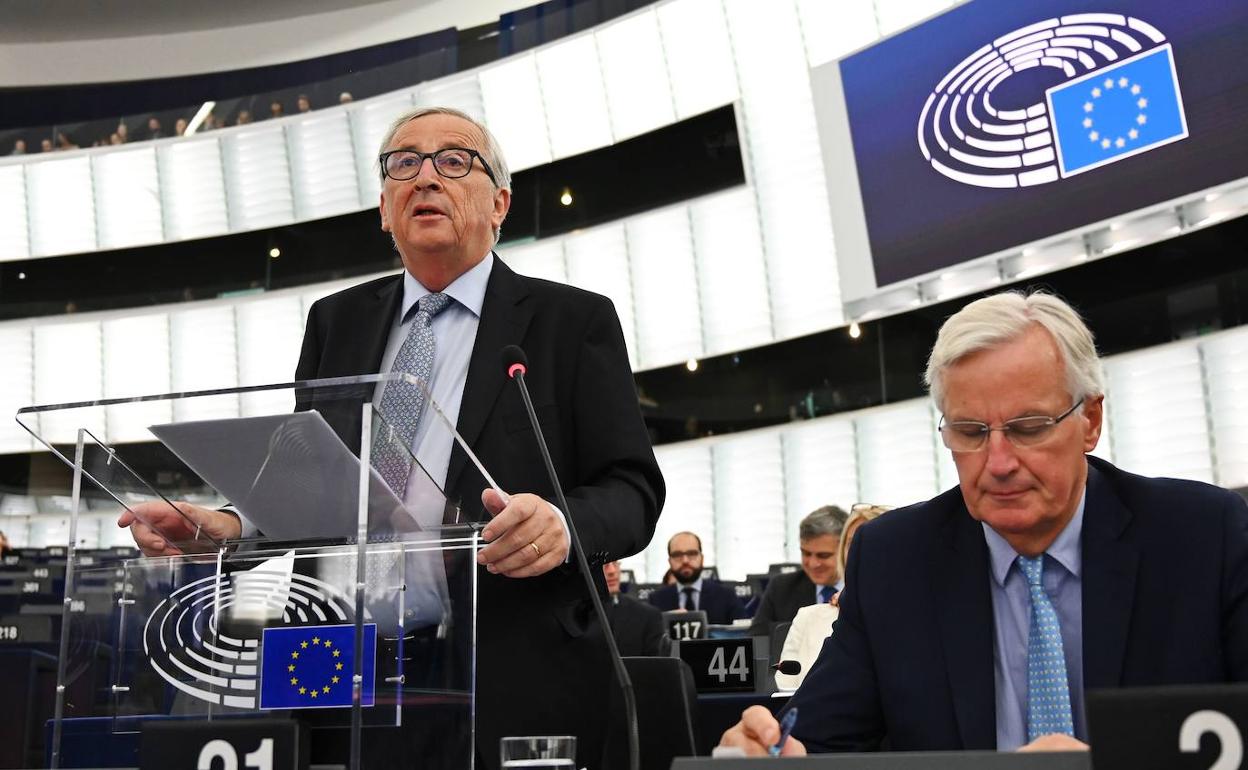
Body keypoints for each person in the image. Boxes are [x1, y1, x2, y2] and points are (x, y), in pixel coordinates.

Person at [118, 106, 664, 770]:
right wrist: (226, 526)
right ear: (384, 208)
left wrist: (563, 525)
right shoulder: (335, 323)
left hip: (507, 661)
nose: (426, 177)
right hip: (341, 665)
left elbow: (632, 488)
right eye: (405, 163)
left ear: (500, 203)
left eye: (454, 160)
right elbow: (309, 484)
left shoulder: (570, 323)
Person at [720, 290, 1248, 756]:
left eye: (1028, 427)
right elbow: (816, 740)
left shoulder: (1202, 536)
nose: (997, 462)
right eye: (971, 432)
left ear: (1089, 420)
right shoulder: (895, 562)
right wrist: (766, 749)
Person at [775, 504, 888, 690]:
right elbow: (785, 691)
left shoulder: (920, 618)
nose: (860, 550)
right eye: (852, 543)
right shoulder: (807, 617)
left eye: (873, 542)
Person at [749, 505, 847, 637]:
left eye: (823, 555)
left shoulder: (866, 589)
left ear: (847, 550)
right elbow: (756, 643)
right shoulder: (781, 588)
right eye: (806, 553)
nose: (813, 564)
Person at [647, 532, 747, 624]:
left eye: (692, 554)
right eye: (677, 555)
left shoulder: (726, 596)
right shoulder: (656, 600)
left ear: (702, 558)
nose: (685, 561)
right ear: (669, 561)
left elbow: (743, 636)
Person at [603, 560, 669, 657]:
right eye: (604, 565)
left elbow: (655, 667)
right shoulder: (575, 617)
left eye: (615, 563)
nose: (612, 571)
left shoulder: (647, 616)